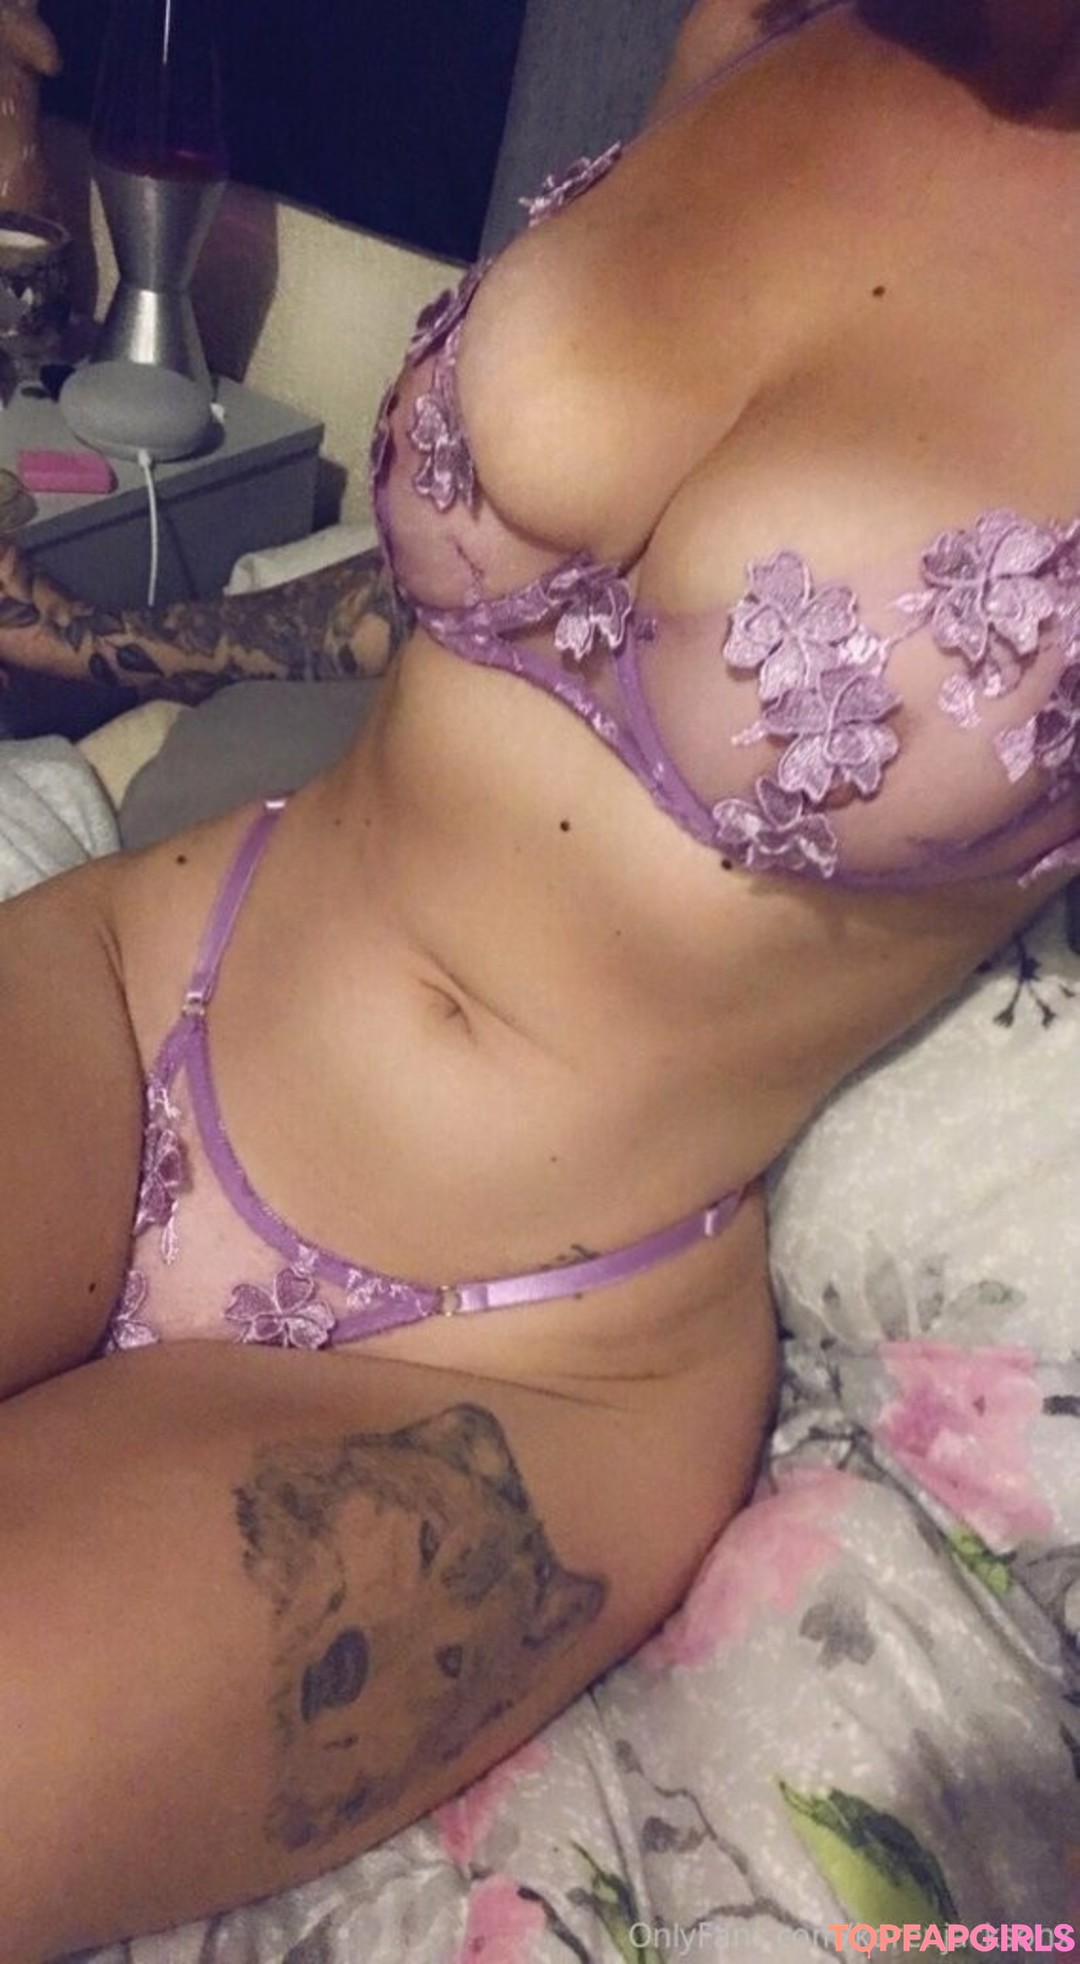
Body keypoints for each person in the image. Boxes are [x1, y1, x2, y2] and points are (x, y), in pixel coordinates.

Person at [0, 0, 1078, 1952]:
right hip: (151, 980)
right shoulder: (761, 28)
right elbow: (509, 599)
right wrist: (108, 640)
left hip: (516, 1347)